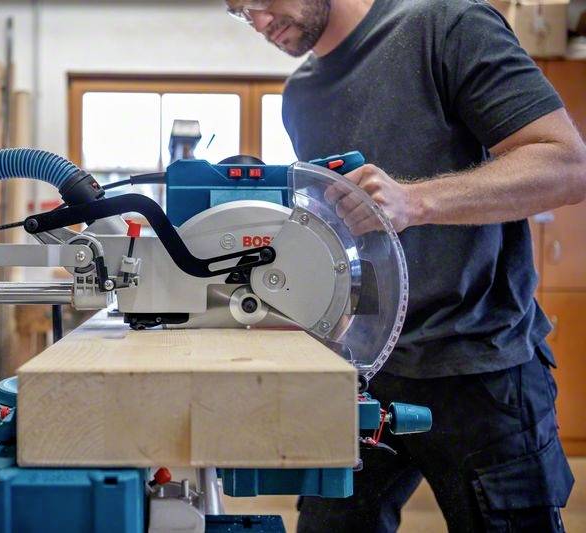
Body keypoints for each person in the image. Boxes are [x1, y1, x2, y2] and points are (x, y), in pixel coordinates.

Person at [226, 0, 586, 531]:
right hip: (364, 369)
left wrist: (415, 202)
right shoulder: (300, 95)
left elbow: (567, 165)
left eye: (261, 1)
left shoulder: (446, 26)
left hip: (480, 368)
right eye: (240, 12)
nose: (259, 22)